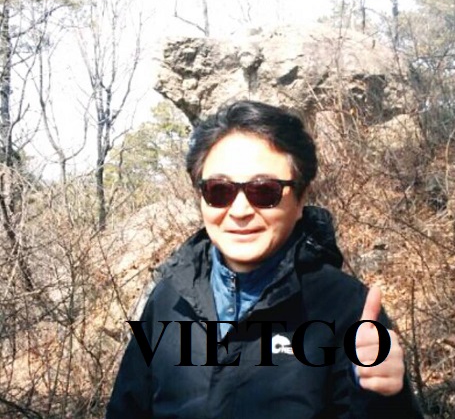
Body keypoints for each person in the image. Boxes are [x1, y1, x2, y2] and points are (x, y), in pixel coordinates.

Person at [106, 100, 424, 419]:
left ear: (301, 198)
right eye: (219, 190)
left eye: (264, 191)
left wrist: (384, 397)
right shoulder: (169, 299)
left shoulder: (347, 309)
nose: (240, 211)